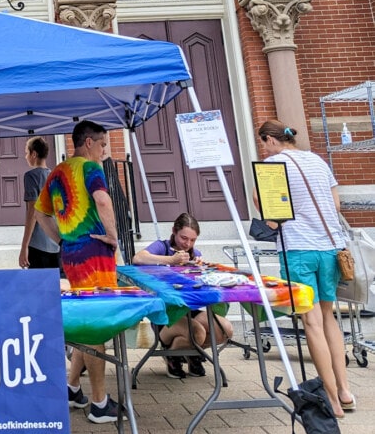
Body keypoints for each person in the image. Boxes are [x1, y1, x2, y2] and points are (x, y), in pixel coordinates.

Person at [255, 120, 355, 418]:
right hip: (331, 247)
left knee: (311, 323)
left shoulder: (273, 165)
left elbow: (272, 220)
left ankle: (331, 400)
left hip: (298, 248)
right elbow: (335, 205)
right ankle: (345, 390)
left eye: (262, 143)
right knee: (329, 318)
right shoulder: (318, 160)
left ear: (270, 140)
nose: (262, 149)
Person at [34, 120, 121, 424]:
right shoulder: (89, 168)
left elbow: (40, 212)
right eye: (102, 144)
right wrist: (113, 235)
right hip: (94, 253)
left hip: (70, 253)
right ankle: (99, 402)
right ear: (88, 142)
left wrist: (59, 238)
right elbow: (101, 199)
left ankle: (72, 387)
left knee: (86, 323)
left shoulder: (57, 172)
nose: (104, 151)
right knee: (95, 326)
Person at [133, 213, 234, 378]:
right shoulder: (162, 247)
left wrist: (201, 269)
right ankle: (173, 356)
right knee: (198, 333)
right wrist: (171, 260)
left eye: (192, 240)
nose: (187, 244)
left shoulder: (195, 253)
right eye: (184, 238)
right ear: (174, 231)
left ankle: (192, 353)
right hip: (165, 313)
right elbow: (137, 258)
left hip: (188, 309)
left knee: (225, 330)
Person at [18, 136, 61, 272]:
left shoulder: (31, 177)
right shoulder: (56, 176)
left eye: (26, 152)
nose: (25, 156)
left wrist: (24, 246)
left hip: (38, 244)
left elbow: (33, 212)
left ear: (34, 154)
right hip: (57, 241)